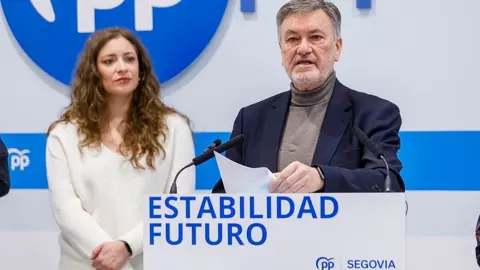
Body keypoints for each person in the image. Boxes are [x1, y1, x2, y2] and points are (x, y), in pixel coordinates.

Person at [212, 0, 405, 193]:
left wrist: (322, 177)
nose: (303, 49)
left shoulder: (373, 114)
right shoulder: (251, 119)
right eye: (292, 39)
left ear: (337, 48)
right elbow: (226, 194)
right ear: (282, 50)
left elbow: (387, 182)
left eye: (315, 37)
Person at [46, 27, 195, 270]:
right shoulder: (64, 133)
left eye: (129, 59)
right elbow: (66, 209)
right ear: (94, 72)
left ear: (141, 69)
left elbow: (178, 204)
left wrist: (127, 246)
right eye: (109, 61)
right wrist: (108, 254)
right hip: (86, 263)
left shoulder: (174, 128)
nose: (122, 67)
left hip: (153, 262)